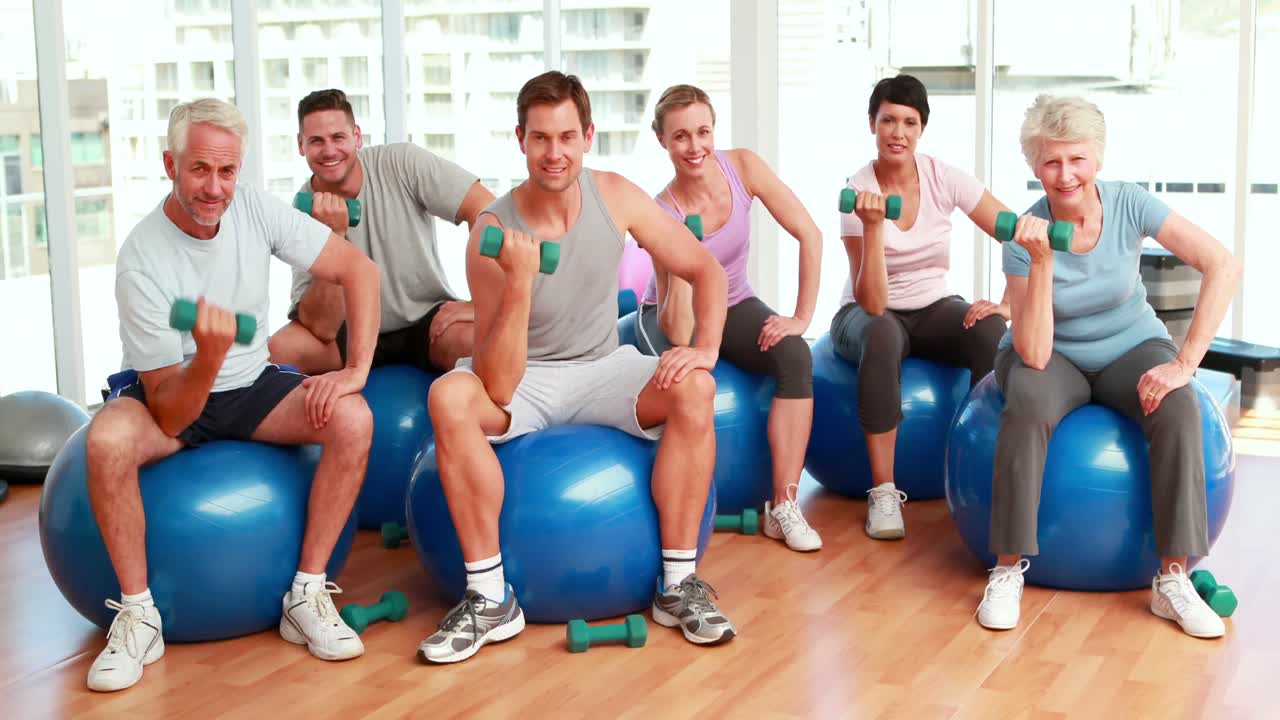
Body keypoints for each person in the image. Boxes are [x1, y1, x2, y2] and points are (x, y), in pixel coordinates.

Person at [419, 71, 735, 664]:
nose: (554, 152)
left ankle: (677, 585)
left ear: (588, 135)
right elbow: (499, 381)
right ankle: (490, 600)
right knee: (448, 398)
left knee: (696, 388)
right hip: (521, 376)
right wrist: (518, 285)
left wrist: (707, 349)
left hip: (600, 367)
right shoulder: (492, 230)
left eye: (567, 136)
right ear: (521, 140)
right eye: (540, 138)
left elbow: (704, 269)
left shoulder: (615, 195)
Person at [84, 98, 381, 692]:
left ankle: (306, 594)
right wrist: (210, 355)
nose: (215, 188)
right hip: (167, 391)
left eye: (227, 171)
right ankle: (140, 615)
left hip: (251, 385)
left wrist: (355, 371)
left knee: (354, 419)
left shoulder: (253, 208)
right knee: (107, 440)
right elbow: (170, 411)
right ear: (170, 164)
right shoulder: (141, 260)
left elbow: (359, 271)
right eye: (199, 169)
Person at [975, 94, 1240, 638]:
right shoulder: (1022, 236)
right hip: (1051, 350)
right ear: (1034, 166)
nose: (1065, 174)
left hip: (1130, 344)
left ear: (1096, 159)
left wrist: (1185, 363)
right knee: (1027, 401)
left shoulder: (1130, 204)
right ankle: (1006, 569)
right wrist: (1043, 257)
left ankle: (1172, 580)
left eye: (1076, 159)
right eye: (1051, 161)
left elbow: (1223, 263)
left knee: (1178, 405)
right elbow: (1036, 353)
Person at [635, 84, 823, 552]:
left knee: (795, 357)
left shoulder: (743, 168)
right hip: (676, 313)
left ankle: (783, 506)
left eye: (703, 132)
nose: (695, 146)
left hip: (736, 302)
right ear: (662, 140)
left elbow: (810, 234)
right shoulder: (661, 210)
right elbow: (678, 327)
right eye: (680, 136)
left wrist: (800, 317)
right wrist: (683, 252)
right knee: (691, 384)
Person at [833, 74, 1012, 540]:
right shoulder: (857, 191)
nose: (898, 132)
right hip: (865, 311)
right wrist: (873, 226)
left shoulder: (942, 177)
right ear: (872, 123)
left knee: (989, 333)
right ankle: (884, 492)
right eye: (888, 120)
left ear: (921, 129)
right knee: (885, 332)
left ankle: (978, 475)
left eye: (909, 122)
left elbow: (1013, 230)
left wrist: (1008, 304)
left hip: (933, 305)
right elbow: (872, 301)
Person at [268, 88, 494, 374]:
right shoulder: (302, 212)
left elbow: (485, 209)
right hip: (348, 333)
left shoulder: (402, 163)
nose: (329, 150)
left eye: (338, 137)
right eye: (316, 141)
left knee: (481, 342)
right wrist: (335, 237)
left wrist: (482, 303)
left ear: (357, 137)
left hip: (423, 320)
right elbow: (321, 328)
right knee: (276, 352)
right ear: (301, 145)